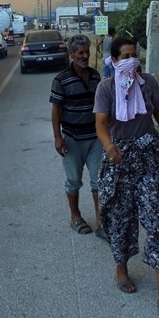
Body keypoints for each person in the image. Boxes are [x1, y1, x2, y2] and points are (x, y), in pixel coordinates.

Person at [95, 36, 159, 316]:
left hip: (149, 157)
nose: (131, 61)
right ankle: (121, 269)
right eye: (125, 56)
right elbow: (99, 124)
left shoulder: (148, 83)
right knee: (120, 216)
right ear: (114, 60)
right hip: (119, 158)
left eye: (135, 55)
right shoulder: (106, 88)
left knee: (156, 218)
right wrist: (110, 147)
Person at [50, 34, 104, 237]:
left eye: (87, 51)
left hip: (95, 138)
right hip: (72, 139)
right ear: (71, 54)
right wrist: (58, 137)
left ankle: (100, 219)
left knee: (99, 180)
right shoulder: (61, 79)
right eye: (80, 52)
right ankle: (75, 216)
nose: (85, 55)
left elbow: (101, 106)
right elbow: (56, 110)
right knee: (73, 180)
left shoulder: (95, 76)